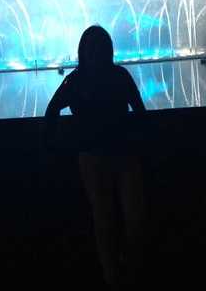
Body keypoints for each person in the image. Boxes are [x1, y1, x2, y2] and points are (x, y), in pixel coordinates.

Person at [45, 25, 146, 288]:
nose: (96, 53)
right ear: (84, 52)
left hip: (116, 154)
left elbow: (52, 110)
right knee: (107, 216)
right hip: (98, 155)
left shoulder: (98, 78)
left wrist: (56, 142)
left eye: (99, 48)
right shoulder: (80, 80)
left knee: (122, 217)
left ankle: (121, 271)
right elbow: (53, 108)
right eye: (91, 48)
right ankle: (115, 273)